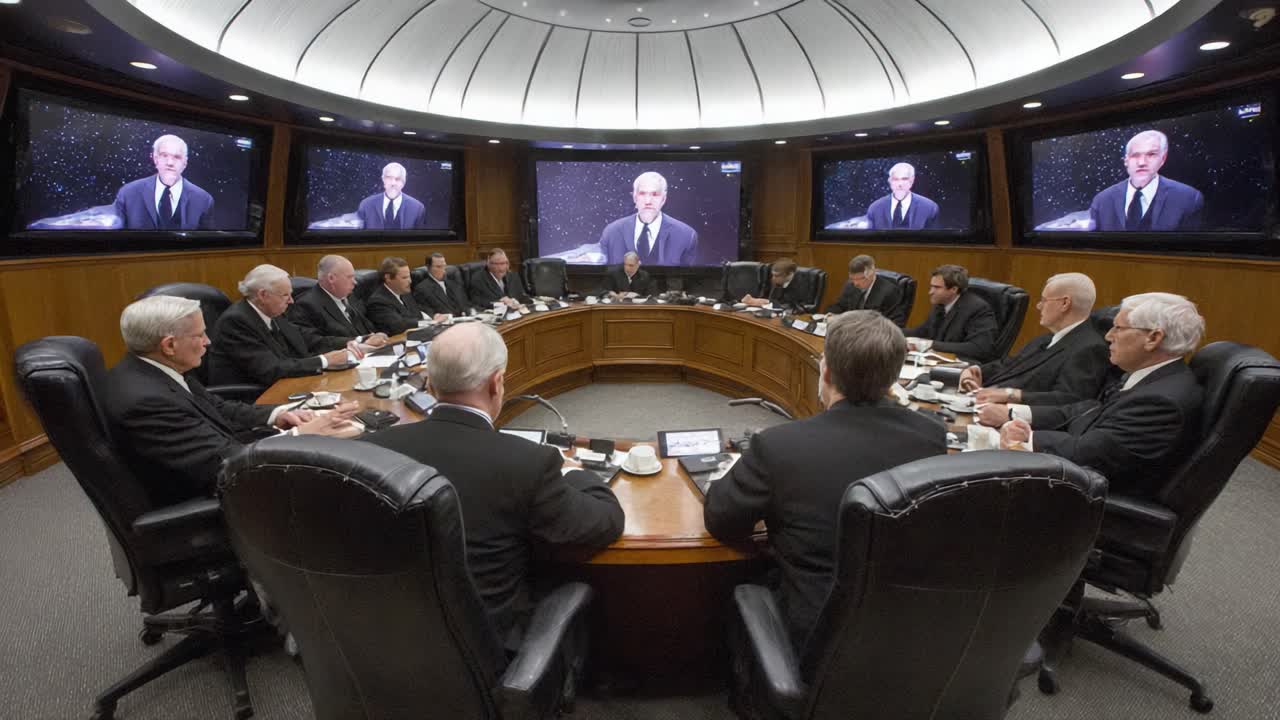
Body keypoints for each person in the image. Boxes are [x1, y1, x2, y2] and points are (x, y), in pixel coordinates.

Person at [360, 322, 624, 645]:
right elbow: (606, 522)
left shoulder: (372, 447)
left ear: (429, 386)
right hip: (488, 646)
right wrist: (575, 472)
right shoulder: (529, 463)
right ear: (496, 384)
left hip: (388, 637)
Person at [704, 311, 947, 649]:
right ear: (893, 379)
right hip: (906, 620)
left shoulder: (779, 445)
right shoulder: (932, 435)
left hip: (819, 631)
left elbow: (721, 521)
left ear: (827, 372)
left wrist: (725, 475)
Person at [104, 295, 359, 505]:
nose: (208, 342)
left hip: (224, 459)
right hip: (216, 496)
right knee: (347, 486)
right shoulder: (147, 402)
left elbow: (218, 408)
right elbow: (225, 468)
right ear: (169, 345)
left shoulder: (157, 369)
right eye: (200, 335)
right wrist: (300, 436)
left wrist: (278, 414)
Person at [999, 292, 1205, 497]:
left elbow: (1087, 453)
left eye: (1118, 328)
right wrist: (1016, 414)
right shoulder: (1153, 377)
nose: (1108, 336)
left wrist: (1028, 438)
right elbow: (1088, 410)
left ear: (1153, 338)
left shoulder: (1161, 401)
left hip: (1085, 501)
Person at [964, 273, 1111, 427]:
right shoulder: (1047, 338)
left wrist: (1012, 395)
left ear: (1065, 303)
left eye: (1044, 300)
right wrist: (976, 371)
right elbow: (1010, 364)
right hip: (980, 404)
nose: (1038, 306)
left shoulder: (1090, 348)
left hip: (1013, 425)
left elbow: (1069, 399)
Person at [208, 264, 372, 386]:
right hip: (254, 396)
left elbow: (306, 337)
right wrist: (324, 360)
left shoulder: (272, 311)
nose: (291, 301)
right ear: (263, 295)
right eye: (285, 295)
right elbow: (271, 370)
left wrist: (353, 342)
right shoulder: (236, 321)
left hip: (286, 384)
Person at [1089, 130, 1204, 231]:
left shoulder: (1189, 198)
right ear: (1126, 161)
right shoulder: (1102, 200)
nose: (1142, 162)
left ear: (1163, 159)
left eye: (1151, 154)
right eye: (1135, 155)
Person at [113, 134, 215, 230]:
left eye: (177, 157)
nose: (170, 163)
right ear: (155, 158)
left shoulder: (204, 200)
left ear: (185, 162)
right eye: (164, 155)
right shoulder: (128, 193)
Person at [599, 172, 699, 266]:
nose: (648, 201)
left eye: (655, 194)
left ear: (663, 199)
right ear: (635, 197)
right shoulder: (612, 231)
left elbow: (688, 280)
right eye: (642, 194)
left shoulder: (686, 235)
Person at [904, 264, 999, 362]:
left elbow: (979, 348)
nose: (930, 292)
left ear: (954, 289)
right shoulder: (940, 304)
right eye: (931, 286)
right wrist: (894, 333)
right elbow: (923, 331)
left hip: (964, 366)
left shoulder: (977, 309)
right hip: (939, 361)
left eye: (937, 287)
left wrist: (931, 345)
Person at [289, 255, 386, 342]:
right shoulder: (306, 305)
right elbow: (314, 341)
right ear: (331, 278)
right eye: (349, 277)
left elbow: (366, 327)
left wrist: (376, 335)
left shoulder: (349, 297)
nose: (355, 282)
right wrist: (358, 341)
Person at [365, 256, 446, 334]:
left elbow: (417, 314)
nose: (410, 281)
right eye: (404, 278)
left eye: (409, 277)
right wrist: (430, 322)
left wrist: (433, 316)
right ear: (388, 278)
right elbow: (398, 325)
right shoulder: (378, 301)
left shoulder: (405, 294)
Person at [823, 255, 906, 325]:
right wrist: (831, 314)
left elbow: (892, 323)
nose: (856, 283)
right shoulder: (850, 285)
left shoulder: (890, 291)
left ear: (872, 273)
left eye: (860, 278)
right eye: (852, 278)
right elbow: (840, 306)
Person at [865, 163, 940, 230]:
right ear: (890, 181)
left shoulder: (930, 208)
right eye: (895, 179)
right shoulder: (875, 208)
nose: (900, 184)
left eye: (904, 179)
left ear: (912, 180)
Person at [356, 162, 428, 230]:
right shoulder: (366, 205)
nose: (393, 183)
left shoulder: (418, 208)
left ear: (404, 182)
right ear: (383, 179)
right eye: (389, 178)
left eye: (398, 179)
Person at [413, 252, 470, 316]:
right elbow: (427, 312)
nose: (443, 270)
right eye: (439, 267)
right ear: (429, 268)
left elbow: (465, 304)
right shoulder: (422, 289)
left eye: (444, 266)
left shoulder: (455, 284)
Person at [742, 258, 806, 312]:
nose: (773, 278)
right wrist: (759, 301)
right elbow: (773, 298)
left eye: (777, 276)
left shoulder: (801, 283)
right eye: (773, 275)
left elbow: (795, 307)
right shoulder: (776, 281)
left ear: (789, 274)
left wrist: (766, 302)